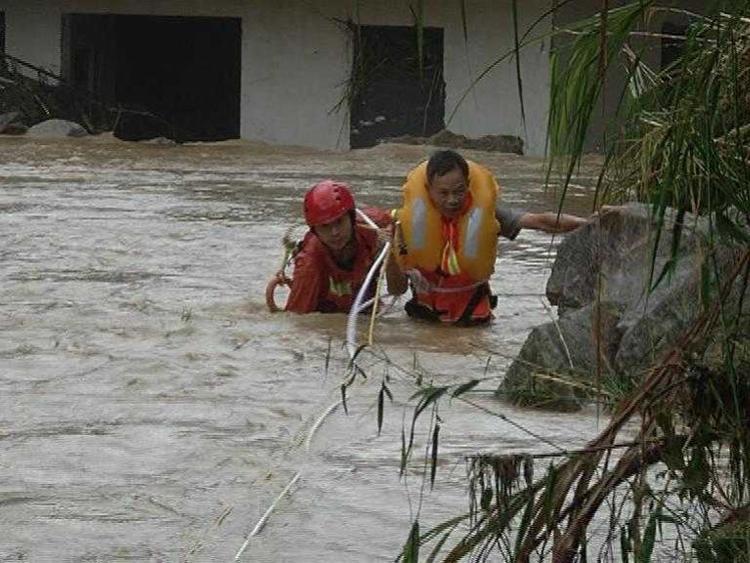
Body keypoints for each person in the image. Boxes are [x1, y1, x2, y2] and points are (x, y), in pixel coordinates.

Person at [391, 150, 586, 325]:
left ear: (468, 185)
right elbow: (396, 289)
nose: (452, 200)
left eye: (459, 191)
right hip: (422, 319)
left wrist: (586, 223)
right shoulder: (404, 223)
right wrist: (391, 251)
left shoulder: (486, 214)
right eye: (443, 193)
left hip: (473, 321)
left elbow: (540, 221)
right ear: (428, 189)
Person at [271, 179, 406, 314]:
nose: (334, 233)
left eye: (339, 222)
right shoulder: (309, 262)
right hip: (326, 314)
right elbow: (297, 319)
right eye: (325, 226)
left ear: (351, 218)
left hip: (365, 308)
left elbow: (399, 290)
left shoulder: (378, 228)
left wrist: (391, 255)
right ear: (314, 230)